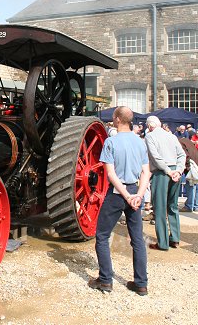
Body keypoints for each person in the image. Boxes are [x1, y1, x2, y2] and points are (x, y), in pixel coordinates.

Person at [88, 106, 150, 296]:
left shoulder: (111, 142)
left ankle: (106, 280)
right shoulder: (140, 142)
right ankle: (141, 284)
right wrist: (138, 195)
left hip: (118, 193)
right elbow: (146, 173)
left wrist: (126, 195)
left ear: (116, 120)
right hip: (134, 192)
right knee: (138, 239)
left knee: (102, 236)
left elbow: (110, 174)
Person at [145, 115, 186, 250]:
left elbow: (155, 157)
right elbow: (182, 155)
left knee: (160, 208)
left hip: (162, 173)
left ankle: (162, 243)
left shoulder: (150, 137)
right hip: (175, 171)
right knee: (173, 206)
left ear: (150, 126)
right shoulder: (172, 136)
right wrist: (178, 171)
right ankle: (175, 238)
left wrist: (169, 171)